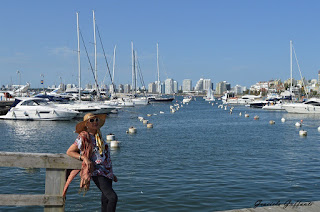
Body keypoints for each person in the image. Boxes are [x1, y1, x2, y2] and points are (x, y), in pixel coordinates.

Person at [65, 113, 118, 212]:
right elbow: (69, 152)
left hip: (107, 171)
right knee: (112, 197)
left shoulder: (99, 136)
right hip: (97, 171)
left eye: (97, 120)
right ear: (86, 124)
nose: (95, 122)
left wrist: (111, 173)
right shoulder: (83, 137)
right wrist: (84, 158)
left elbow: (103, 156)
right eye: (92, 120)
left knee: (105, 199)